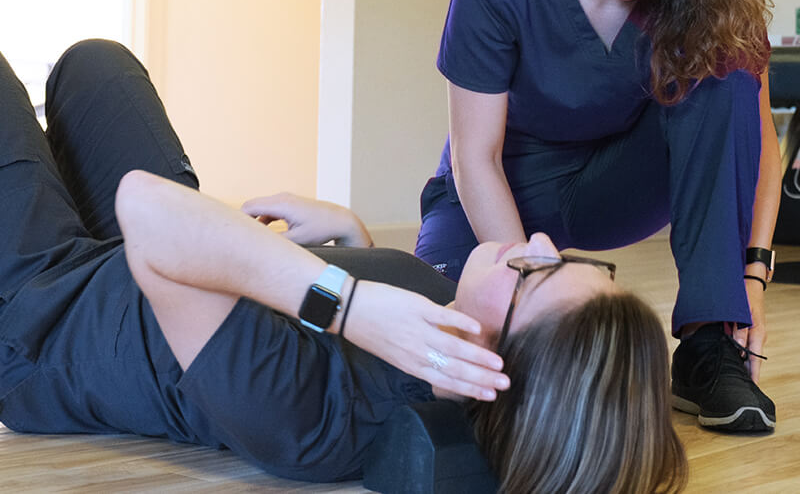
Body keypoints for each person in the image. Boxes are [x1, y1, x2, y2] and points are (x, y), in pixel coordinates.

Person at [0, 39, 686, 492]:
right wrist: (353, 240)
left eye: (536, 271)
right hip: (152, 261)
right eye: (559, 254)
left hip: (45, 314)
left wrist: (348, 300)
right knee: (96, 65)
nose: (533, 237)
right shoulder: (442, 317)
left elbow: (146, 210)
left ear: (490, 368)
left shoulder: (315, 418)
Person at [415, 0, 780, 434]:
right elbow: (476, 158)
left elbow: (756, 149)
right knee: (436, 352)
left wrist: (750, 276)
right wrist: (530, 300)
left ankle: (705, 343)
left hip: (614, 184)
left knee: (725, 78)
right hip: (502, 187)